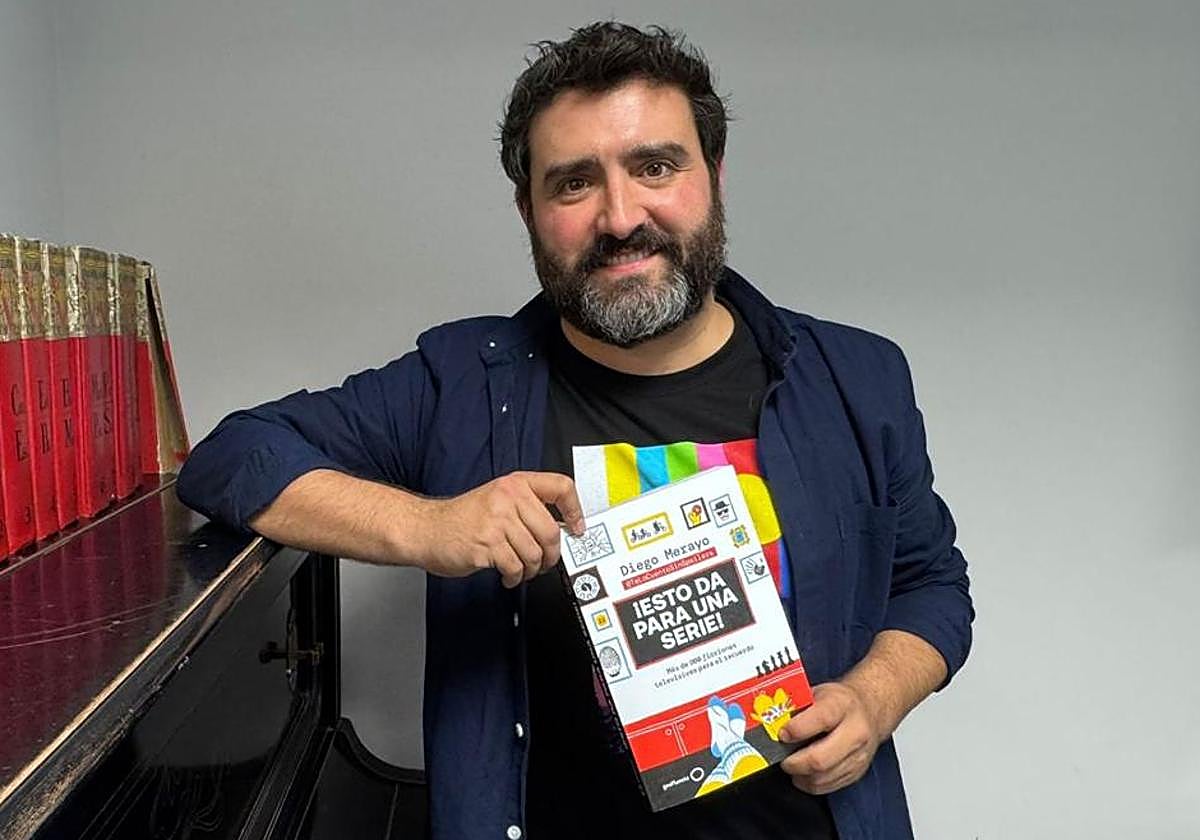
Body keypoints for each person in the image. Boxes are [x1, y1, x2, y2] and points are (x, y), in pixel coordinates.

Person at [177, 21, 973, 840]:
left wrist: (875, 696)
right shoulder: (462, 383)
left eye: (655, 167)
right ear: (528, 209)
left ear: (714, 174)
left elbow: (933, 583)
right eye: (574, 184)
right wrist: (427, 526)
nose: (621, 217)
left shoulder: (857, 378)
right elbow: (229, 458)